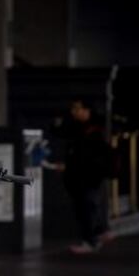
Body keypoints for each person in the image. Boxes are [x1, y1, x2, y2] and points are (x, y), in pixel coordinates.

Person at [54, 99, 114, 254]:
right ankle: (99, 232)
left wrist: (69, 166)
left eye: (78, 108)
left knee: (85, 207)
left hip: (86, 176)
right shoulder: (83, 127)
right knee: (90, 204)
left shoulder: (91, 130)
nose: (74, 112)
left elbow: (84, 155)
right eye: (73, 108)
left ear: (87, 110)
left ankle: (91, 240)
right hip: (87, 176)